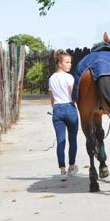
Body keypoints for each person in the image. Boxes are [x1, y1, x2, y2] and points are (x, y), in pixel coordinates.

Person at [48, 49, 79, 181]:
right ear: (60, 63)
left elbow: (52, 98)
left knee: (61, 141)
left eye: (70, 62)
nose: (69, 64)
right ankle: (72, 166)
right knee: (73, 140)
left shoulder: (51, 78)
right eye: (67, 62)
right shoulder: (69, 77)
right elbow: (73, 97)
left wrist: (56, 108)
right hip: (69, 108)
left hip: (57, 110)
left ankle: (62, 171)